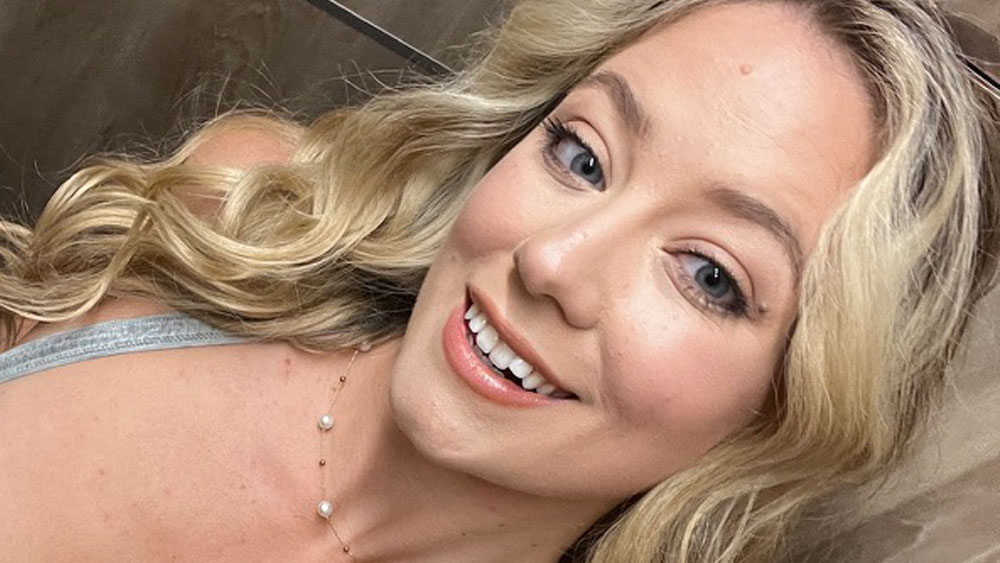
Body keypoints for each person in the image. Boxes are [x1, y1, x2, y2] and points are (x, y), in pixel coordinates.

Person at [0, 0, 997, 561]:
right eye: (582, 154)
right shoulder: (240, 212)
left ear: (786, 406)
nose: (552, 262)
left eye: (708, 274)